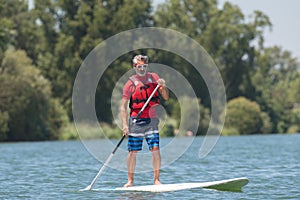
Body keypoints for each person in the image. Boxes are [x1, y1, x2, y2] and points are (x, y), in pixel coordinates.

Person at [120, 55, 169, 187]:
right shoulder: (130, 83)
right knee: (133, 152)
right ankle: (130, 181)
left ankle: (156, 180)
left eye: (144, 66)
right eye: (139, 67)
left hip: (152, 120)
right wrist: (125, 125)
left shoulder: (154, 78)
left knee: (155, 149)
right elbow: (123, 107)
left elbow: (165, 96)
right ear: (134, 67)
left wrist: (163, 86)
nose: (142, 69)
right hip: (136, 120)